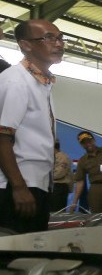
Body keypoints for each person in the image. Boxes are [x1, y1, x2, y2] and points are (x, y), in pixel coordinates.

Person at [0, 19, 63, 232]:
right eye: (49, 38)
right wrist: (19, 187)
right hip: (17, 186)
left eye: (60, 38)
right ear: (26, 45)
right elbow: (2, 138)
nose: (58, 44)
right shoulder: (16, 81)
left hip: (37, 184)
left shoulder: (41, 82)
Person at [69, 131, 102, 212]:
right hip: (95, 189)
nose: (88, 144)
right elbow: (80, 182)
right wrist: (74, 202)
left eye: (89, 141)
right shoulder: (83, 160)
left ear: (93, 140)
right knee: (97, 216)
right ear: (81, 145)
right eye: (84, 142)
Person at [51, 141, 72, 211]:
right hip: (54, 187)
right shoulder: (54, 157)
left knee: (56, 212)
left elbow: (59, 173)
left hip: (59, 187)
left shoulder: (62, 157)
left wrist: (45, 176)